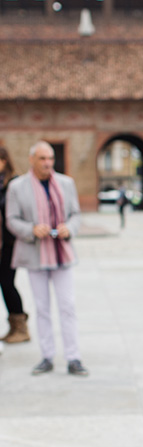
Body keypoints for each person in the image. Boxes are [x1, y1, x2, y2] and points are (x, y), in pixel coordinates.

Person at [6, 141, 89, 376]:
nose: (47, 163)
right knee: (42, 308)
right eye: (42, 158)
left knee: (67, 306)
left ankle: (73, 357)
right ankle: (47, 356)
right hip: (35, 254)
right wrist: (31, 229)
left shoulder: (66, 183)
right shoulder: (17, 187)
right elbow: (11, 219)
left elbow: (75, 215)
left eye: (50, 158)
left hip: (62, 254)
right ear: (31, 160)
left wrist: (68, 228)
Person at [0, 146, 31, 344]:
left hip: (9, 243)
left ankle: (21, 326)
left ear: (4, 161)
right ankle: (14, 326)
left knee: (6, 282)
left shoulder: (14, 183)